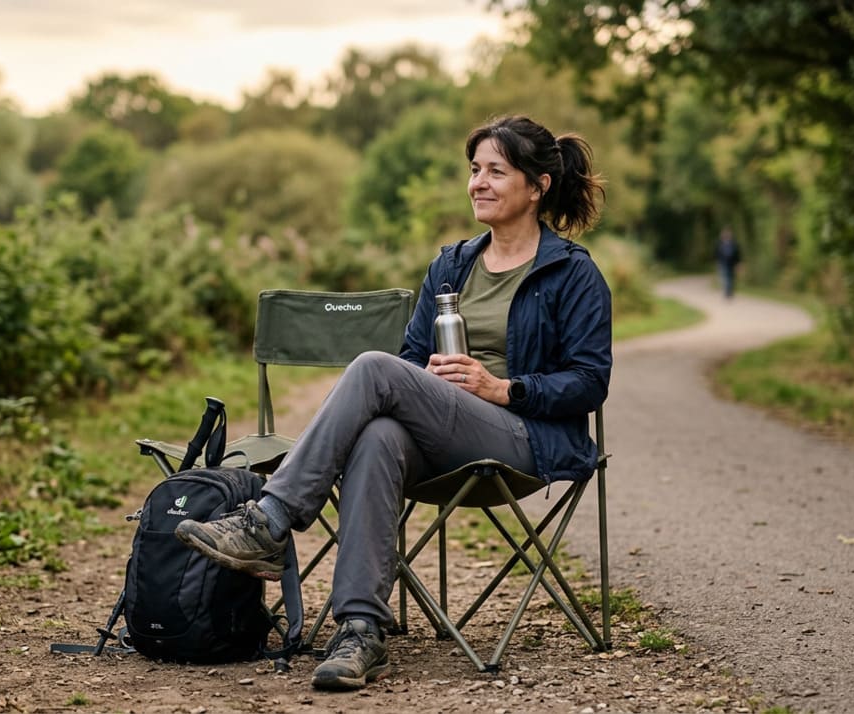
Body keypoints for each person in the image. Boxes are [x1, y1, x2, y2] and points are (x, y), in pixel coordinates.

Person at [174, 115, 612, 691]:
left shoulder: (571, 273)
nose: (478, 182)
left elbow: (589, 380)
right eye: (474, 169)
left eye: (496, 172)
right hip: (446, 434)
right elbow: (410, 358)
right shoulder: (452, 265)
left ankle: (273, 517)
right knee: (379, 435)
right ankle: (361, 630)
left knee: (372, 367)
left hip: (522, 438)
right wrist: (427, 381)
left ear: (538, 186)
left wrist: (503, 388)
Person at [715, 227, 742, 298]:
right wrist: (718, 263)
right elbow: (717, 255)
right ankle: (727, 292)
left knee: (731, 278)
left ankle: (729, 291)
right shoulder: (720, 245)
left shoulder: (734, 244)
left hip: (732, 264)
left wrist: (738, 264)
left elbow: (737, 255)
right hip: (723, 264)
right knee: (726, 278)